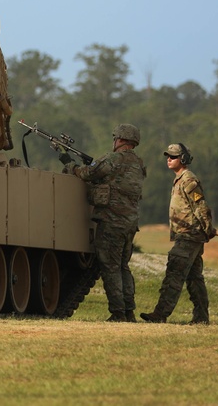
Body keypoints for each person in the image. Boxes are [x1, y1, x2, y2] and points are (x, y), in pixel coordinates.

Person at [63, 123, 145, 322]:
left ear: (120, 140)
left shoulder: (113, 159)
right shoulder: (138, 163)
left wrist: (70, 164)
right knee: (123, 266)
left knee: (110, 266)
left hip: (112, 220)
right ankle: (128, 311)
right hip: (130, 222)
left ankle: (118, 312)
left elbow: (89, 173)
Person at [141, 144, 217, 324]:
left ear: (183, 159)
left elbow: (201, 206)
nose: (169, 159)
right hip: (188, 235)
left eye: (173, 156)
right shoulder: (180, 179)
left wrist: (208, 228)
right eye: (168, 156)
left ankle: (160, 315)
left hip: (189, 235)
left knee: (174, 272)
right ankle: (201, 318)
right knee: (194, 278)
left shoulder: (188, 180)